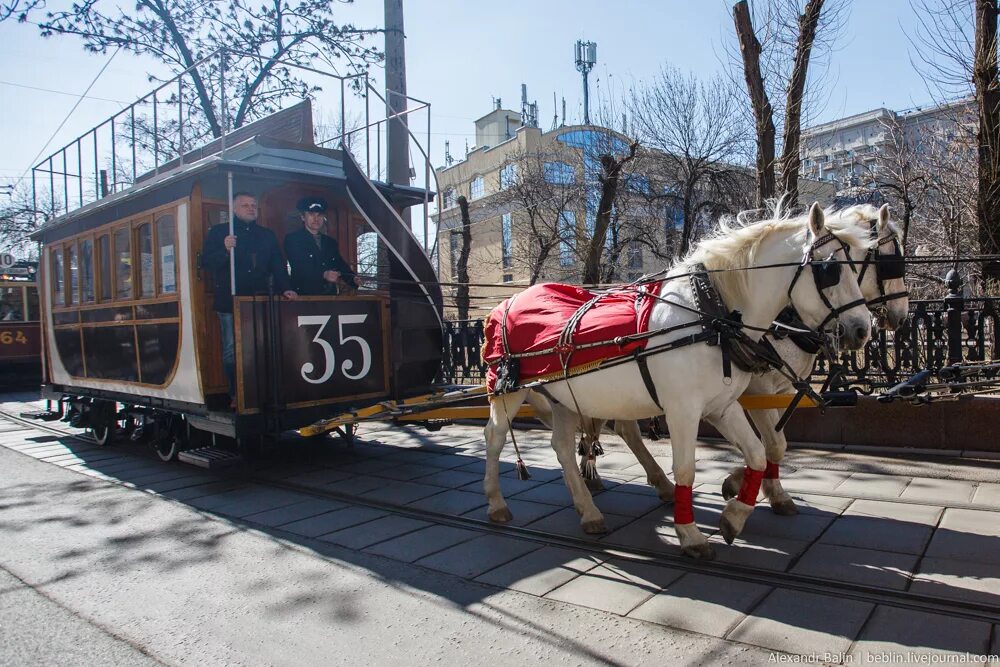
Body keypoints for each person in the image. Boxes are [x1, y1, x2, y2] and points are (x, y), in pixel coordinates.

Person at [200, 192, 297, 402]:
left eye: (253, 205)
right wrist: (225, 250)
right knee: (231, 350)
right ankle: (237, 394)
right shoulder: (220, 233)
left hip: (260, 300)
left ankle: (264, 392)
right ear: (233, 209)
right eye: (245, 205)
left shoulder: (266, 235)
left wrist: (286, 288)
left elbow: (278, 265)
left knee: (263, 346)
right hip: (230, 300)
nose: (251, 208)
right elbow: (206, 263)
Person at [284, 196, 364, 296]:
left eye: (320, 215)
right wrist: (323, 274)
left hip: (329, 296)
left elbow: (339, 264)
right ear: (303, 217)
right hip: (303, 296)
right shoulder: (293, 239)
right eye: (311, 214)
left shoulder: (330, 242)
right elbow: (300, 266)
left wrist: (352, 278)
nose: (316, 219)